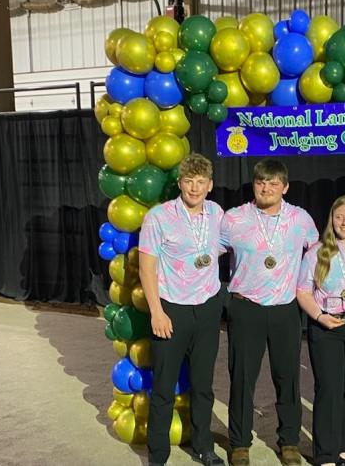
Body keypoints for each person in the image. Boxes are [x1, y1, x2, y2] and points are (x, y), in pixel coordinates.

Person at [220, 159, 319, 466]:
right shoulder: (234, 219)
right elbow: (208, 255)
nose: (266, 188)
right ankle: (239, 443)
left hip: (285, 310)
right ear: (254, 184)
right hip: (245, 307)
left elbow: (317, 255)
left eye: (273, 183)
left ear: (284, 187)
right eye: (261, 182)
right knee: (241, 378)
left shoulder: (300, 219)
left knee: (287, 377)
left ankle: (289, 441)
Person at [138, 154, 226, 466]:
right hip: (171, 309)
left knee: (203, 385)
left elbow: (228, 245)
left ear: (210, 185)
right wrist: (156, 312)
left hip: (207, 308)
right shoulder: (158, 217)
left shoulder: (216, 213)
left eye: (201, 182)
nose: (194, 187)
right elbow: (146, 269)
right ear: (180, 183)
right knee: (163, 386)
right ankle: (158, 455)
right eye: (189, 181)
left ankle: (204, 447)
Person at [296, 195, 345, 466]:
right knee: (329, 389)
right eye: (339, 216)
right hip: (325, 324)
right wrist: (319, 316)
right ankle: (326, 454)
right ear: (331, 219)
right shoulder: (317, 252)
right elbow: (303, 291)